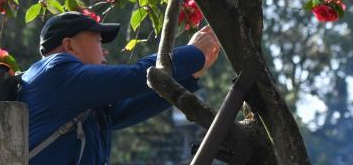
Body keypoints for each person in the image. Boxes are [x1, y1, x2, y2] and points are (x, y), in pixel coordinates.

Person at [19, 10, 221, 164]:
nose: (104, 52)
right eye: (98, 42)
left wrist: (188, 76)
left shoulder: (76, 97)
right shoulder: (56, 71)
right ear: (69, 45)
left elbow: (134, 105)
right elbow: (136, 76)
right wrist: (193, 54)